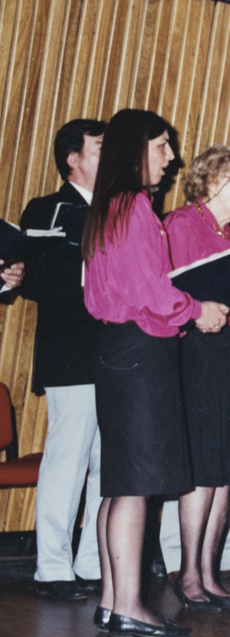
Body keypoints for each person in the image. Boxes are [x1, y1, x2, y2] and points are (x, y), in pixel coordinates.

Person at [83, 109, 229, 637]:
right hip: (141, 353)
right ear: (135, 149)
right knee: (136, 488)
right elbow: (153, 292)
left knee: (121, 485)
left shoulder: (109, 208)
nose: (171, 158)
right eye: (162, 146)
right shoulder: (135, 207)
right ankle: (128, 605)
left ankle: (110, 602)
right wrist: (197, 309)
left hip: (120, 349)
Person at [162, 145, 230, 612]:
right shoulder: (183, 223)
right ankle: (188, 574)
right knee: (206, 468)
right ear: (212, 183)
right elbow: (181, 286)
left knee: (227, 471)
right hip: (203, 352)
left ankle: (210, 571)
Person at [19, 119, 105, 600]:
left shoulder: (120, 209)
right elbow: (32, 279)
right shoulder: (48, 208)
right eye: (99, 147)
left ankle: (91, 561)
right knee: (67, 459)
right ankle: (51, 566)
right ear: (73, 158)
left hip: (115, 355)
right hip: (70, 351)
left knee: (107, 463)